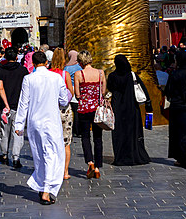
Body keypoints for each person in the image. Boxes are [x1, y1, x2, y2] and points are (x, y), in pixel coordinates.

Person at [14, 50, 72, 204]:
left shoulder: (28, 79)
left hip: (35, 122)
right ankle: (47, 189)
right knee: (53, 154)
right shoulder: (56, 78)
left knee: (40, 155)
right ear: (47, 62)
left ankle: (43, 186)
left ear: (33, 63)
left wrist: (19, 124)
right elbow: (64, 101)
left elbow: (23, 103)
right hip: (51, 121)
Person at [107, 54, 151, 166]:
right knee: (132, 132)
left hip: (118, 107)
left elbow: (110, 88)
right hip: (131, 107)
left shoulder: (112, 76)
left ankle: (121, 156)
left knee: (119, 132)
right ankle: (134, 154)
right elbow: (143, 89)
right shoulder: (131, 76)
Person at [163, 50, 186, 170]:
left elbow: (168, 92)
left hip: (178, 108)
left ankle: (180, 158)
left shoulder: (174, 74)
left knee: (178, 134)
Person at [73, 51, 107, 179]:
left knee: (85, 137)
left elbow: (77, 94)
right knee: (98, 138)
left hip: (84, 109)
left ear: (81, 62)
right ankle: (98, 168)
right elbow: (103, 92)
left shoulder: (78, 74)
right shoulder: (100, 73)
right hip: (97, 110)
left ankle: (90, 162)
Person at [0, 46, 26, 169]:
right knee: (18, 131)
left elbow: (0, 88)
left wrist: (6, 104)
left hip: (5, 106)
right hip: (19, 105)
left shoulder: (0, 70)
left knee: (4, 131)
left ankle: (4, 154)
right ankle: (16, 157)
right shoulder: (23, 70)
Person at [49, 47, 74, 181]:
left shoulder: (48, 73)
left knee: (52, 141)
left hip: (51, 109)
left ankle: (53, 170)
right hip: (64, 110)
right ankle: (65, 171)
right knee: (66, 141)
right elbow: (71, 91)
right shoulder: (65, 75)